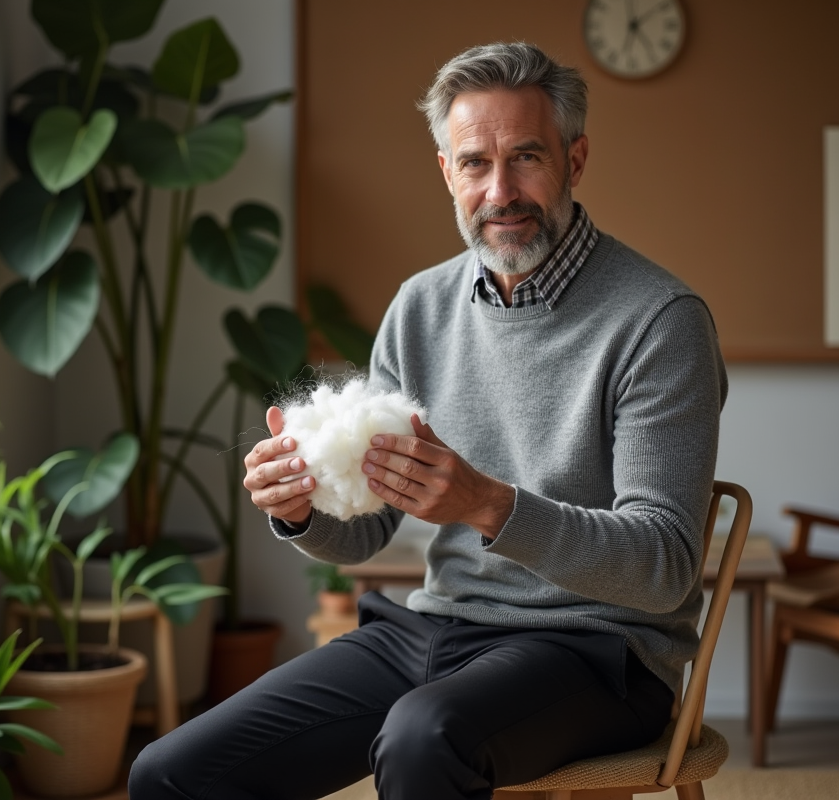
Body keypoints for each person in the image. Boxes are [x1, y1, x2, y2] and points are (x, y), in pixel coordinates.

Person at [129, 42, 727, 800]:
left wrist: (487, 504)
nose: (500, 189)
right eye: (474, 162)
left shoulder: (659, 321)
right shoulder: (420, 307)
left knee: (421, 738)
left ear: (575, 159)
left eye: (527, 157)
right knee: (169, 773)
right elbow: (366, 531)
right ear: (446, 171)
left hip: (597, 653)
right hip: (437, 632)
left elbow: (663, 565)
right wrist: (302, 506)